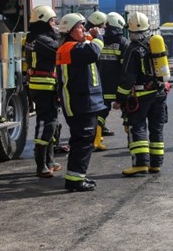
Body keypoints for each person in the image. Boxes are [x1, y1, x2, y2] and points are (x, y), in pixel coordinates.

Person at [113, 12, 168, 176]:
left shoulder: (133, 49)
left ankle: (140, 164)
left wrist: (119, 99)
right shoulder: (154, 44)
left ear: (129, 30)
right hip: (159, 93)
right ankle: (156, 164)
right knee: (157, 128)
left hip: (141, 96)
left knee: (137, 127)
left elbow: (127, 79)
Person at [56, 13, 107, 192]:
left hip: (84, 102)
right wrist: (98, 36)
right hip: (80, 104)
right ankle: (75, 180)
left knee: (82, 141)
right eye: (80, 27)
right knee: (83, 141)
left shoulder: (74, 47)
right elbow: (94, 52)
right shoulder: (70, 48)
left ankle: (77, 176)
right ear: (69, 30)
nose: (84, 30)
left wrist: (90, 37)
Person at [25, 5, 62, 178]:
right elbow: (60, 53)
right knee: (45, 124)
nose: (55, 24)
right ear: (43, 21)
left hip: (44, 84)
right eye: (52, 21)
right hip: (43, 86)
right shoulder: (43, 40)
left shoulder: (34, 38)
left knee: (51, 123)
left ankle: (49, 160)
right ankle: (41, 164)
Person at [93, 12, 130, 151]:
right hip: (119, 87)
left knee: (100, 114)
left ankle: (95, 142)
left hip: (101, 86)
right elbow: (126, 68)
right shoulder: (123, 43)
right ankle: (131, 141)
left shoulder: (99, 41)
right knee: (128, 114)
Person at [87, 10, 114, 140]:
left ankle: (99, 128)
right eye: (103, 25)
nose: (104, 28)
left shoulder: (89, 34)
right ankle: (95, 131)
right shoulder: (89, 37)